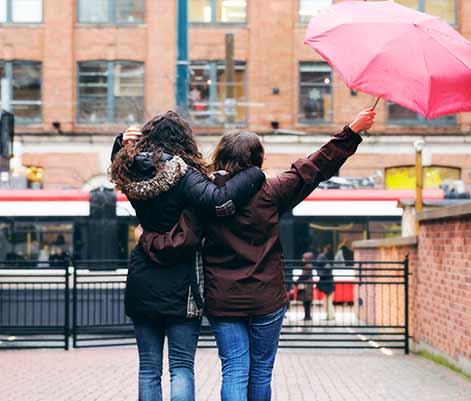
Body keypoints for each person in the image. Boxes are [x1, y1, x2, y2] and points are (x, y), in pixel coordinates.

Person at [140, 108, 375, 401]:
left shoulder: (203, 194)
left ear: (220, 157)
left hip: (223, 300)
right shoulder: (273, 192)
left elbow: (170, 219)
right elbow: (316, 167)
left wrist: (149, 239)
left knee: (235, 370)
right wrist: (352, 131)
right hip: (266, 299)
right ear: (258, 160)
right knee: (262, 371)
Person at [109, 111, 265, 401]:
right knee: (181, 368)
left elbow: (119, 161)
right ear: (184, 141)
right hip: (183, 285)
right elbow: (220, 200)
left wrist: (120, 143)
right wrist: (254, 173)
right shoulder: (185, 176)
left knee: (148, 369)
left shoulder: (129, 173)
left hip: (142, 277)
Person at [316, 245, 335, 320]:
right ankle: (330, 316)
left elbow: (320, 273)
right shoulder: (326, 263)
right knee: (328, 301)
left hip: (327, 285)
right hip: (328, 284)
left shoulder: (321, 264)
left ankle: (330, 316)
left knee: (327, 301)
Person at [297, 252, 315, 321]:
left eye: (304, 258)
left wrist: (296, 282)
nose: (303, 259)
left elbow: (303, 276)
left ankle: (307, 316)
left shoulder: (307, 266)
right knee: (307, 302)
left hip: (307, 287)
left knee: (306, 302)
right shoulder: (309, 265)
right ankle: (307, 316)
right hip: (308, 286)